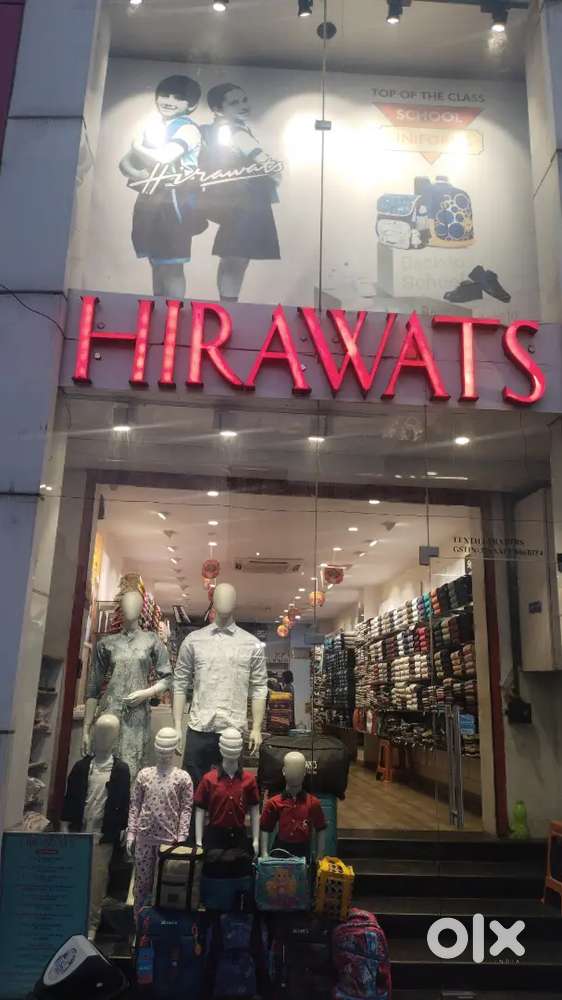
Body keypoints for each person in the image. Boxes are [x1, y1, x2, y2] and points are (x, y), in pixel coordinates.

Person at [119, 75, 206, 299]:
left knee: (172, 264)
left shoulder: (188, 130)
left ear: (191, 105)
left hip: (176, 199)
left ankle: (174, 313)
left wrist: (138, 147)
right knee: (155, 262)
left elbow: (165, 157)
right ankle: (157, 310)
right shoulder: (154, 128)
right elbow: (124, 163)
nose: (169, 101)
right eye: (165, 95)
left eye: (178, 98)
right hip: (150, 198)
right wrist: (137, 173)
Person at [199, 83, 282, 302]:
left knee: (231, 257)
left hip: (233, 203)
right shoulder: (237, 132)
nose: (243, 106)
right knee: (237, 258)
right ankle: (228, 307)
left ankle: (226, 304)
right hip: (246, 204)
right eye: (234, 102)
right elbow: (267, 164)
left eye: (244, 100)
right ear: (218, 109)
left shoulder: (212, 131)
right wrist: (274, 178)